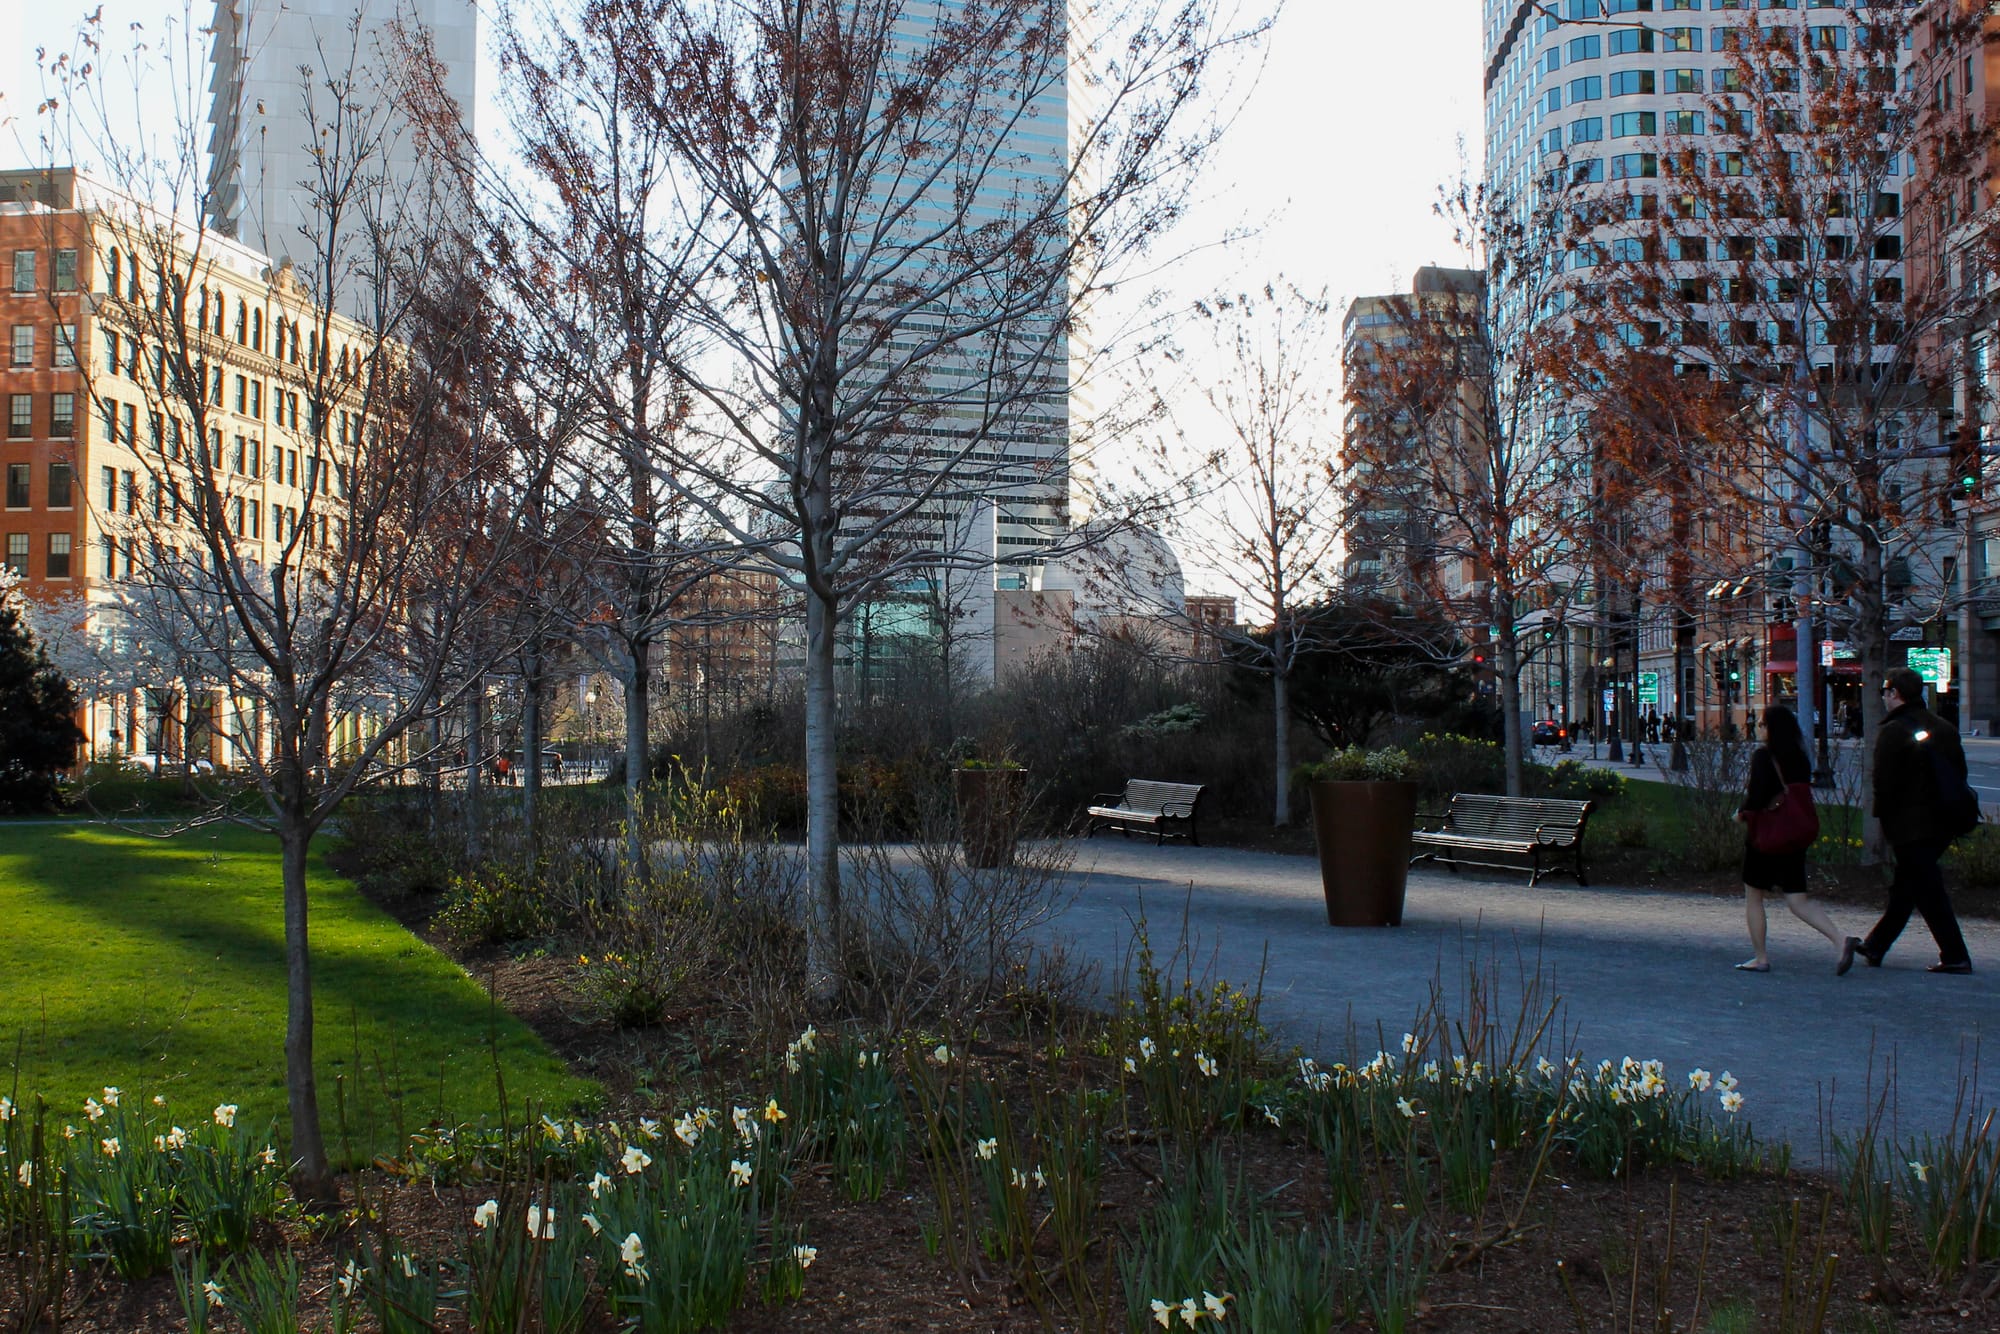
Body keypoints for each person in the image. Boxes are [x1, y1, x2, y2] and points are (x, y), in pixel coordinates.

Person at [1853, 669, 1975, 974]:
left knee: (1927, 891)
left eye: (1885, 691)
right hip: (1943, 822)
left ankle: (1956, 955)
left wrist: (1884, 825)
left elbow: (1884, 784)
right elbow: (1959, 773)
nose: (1883, 696)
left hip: (1910, 826)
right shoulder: (1944, 727)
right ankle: (1875, 946)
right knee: (1909, 886)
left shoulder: (1893, 731)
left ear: (1895, 693)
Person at [1733, 705, 1852, 973]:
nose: (1758, 728)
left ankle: (1760, 957)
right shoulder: (1799, 756)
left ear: (1772, 729)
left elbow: (1759, 793)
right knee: (1798, 899)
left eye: (1762, 724)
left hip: (1767, 836)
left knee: (1753, 896)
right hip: (1792, 835)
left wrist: (1741, 813)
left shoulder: (1764, 756)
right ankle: (1839, 939)